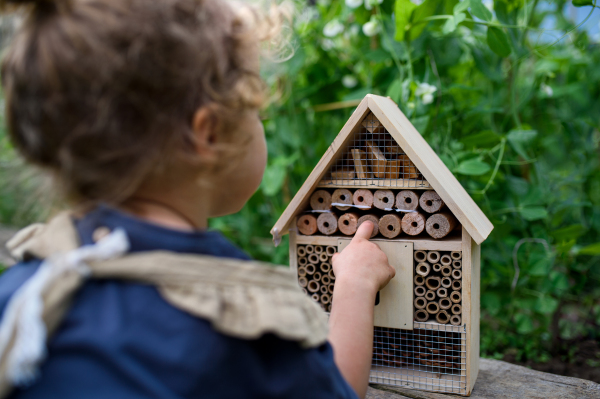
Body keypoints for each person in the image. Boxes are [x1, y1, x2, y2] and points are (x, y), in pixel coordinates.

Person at [0, 0, 395, 398]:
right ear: (207, 134)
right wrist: (355, 287)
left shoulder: (24, 293)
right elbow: (337, 390)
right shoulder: (237, 317)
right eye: (255, 111)